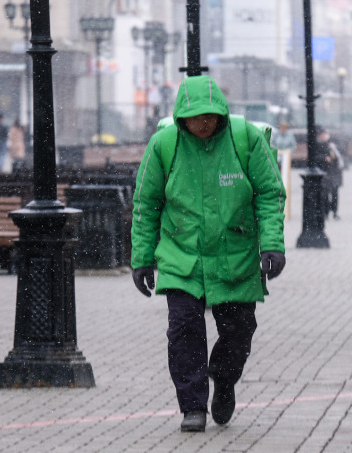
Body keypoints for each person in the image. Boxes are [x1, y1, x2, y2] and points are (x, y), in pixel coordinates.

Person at [130, 75, 286, 433]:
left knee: (239, 331)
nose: (203, 124)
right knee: (184, 330)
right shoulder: (164, 145)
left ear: (221, 115)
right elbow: (146, 204)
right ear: (182, 117)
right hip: (181, 257)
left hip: (236, 256)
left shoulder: (244, 140)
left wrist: (273, 244)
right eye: (195, 117)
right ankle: (193, 405)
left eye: (210, 117)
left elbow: (270, 193)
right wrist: (142, 259)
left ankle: (224, 379)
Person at [315, 125, 343, 220]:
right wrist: (324, 158)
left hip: (334, 172)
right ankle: (326, 212)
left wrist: (334, 149)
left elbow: (341, 154)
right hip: (325, 172)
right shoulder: (317, 144)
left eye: (323, 134)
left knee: (335, 193)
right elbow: (315, 157)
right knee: (325, 193)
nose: (322, 136)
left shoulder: (333, 142)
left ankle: (334, 212)